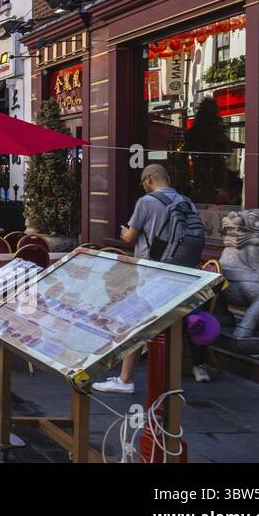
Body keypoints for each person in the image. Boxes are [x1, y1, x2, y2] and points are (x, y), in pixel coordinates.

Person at [93, 163, 209, 394]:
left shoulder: (146, 202)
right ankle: (171, 377)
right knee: (173, 322)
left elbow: (130, 237)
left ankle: (125, 380)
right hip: (181, 271)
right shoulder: (186, 202)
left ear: (148, 180)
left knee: (135, 322)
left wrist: (125, 232)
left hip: (152, 270)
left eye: (143, 182)